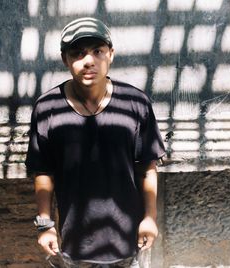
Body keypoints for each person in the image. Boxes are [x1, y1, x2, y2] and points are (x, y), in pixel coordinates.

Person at [26, 17, 165, 267]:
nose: (88, 61)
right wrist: (45, 225)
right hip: (74, 243)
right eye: (78, 53)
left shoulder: (135, 104)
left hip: (127, 239)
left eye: (97, 51)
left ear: (110, 55)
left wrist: (150, 218)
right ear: (65, 59)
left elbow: (146, 167)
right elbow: (43, 171)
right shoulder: (47, 108)